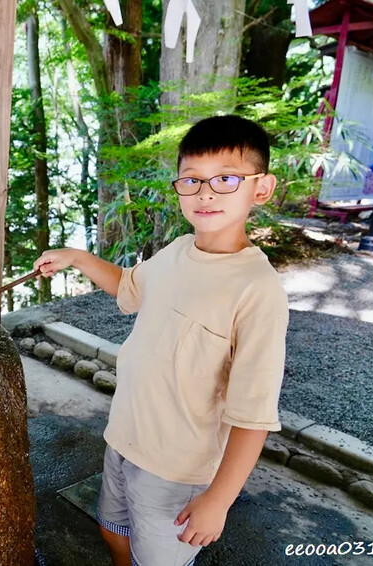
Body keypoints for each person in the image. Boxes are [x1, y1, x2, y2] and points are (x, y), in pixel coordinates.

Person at [33, 115, 289, 566]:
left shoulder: (258, 290)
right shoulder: (176, 251)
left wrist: (219, 500)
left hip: (178, 470)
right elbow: (129, 285)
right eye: (191, 180)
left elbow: (253, 416)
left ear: (261, 189)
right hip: (124, 438)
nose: (206, 193)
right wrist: (76, 257)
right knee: (113, 532)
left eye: (227, 179)